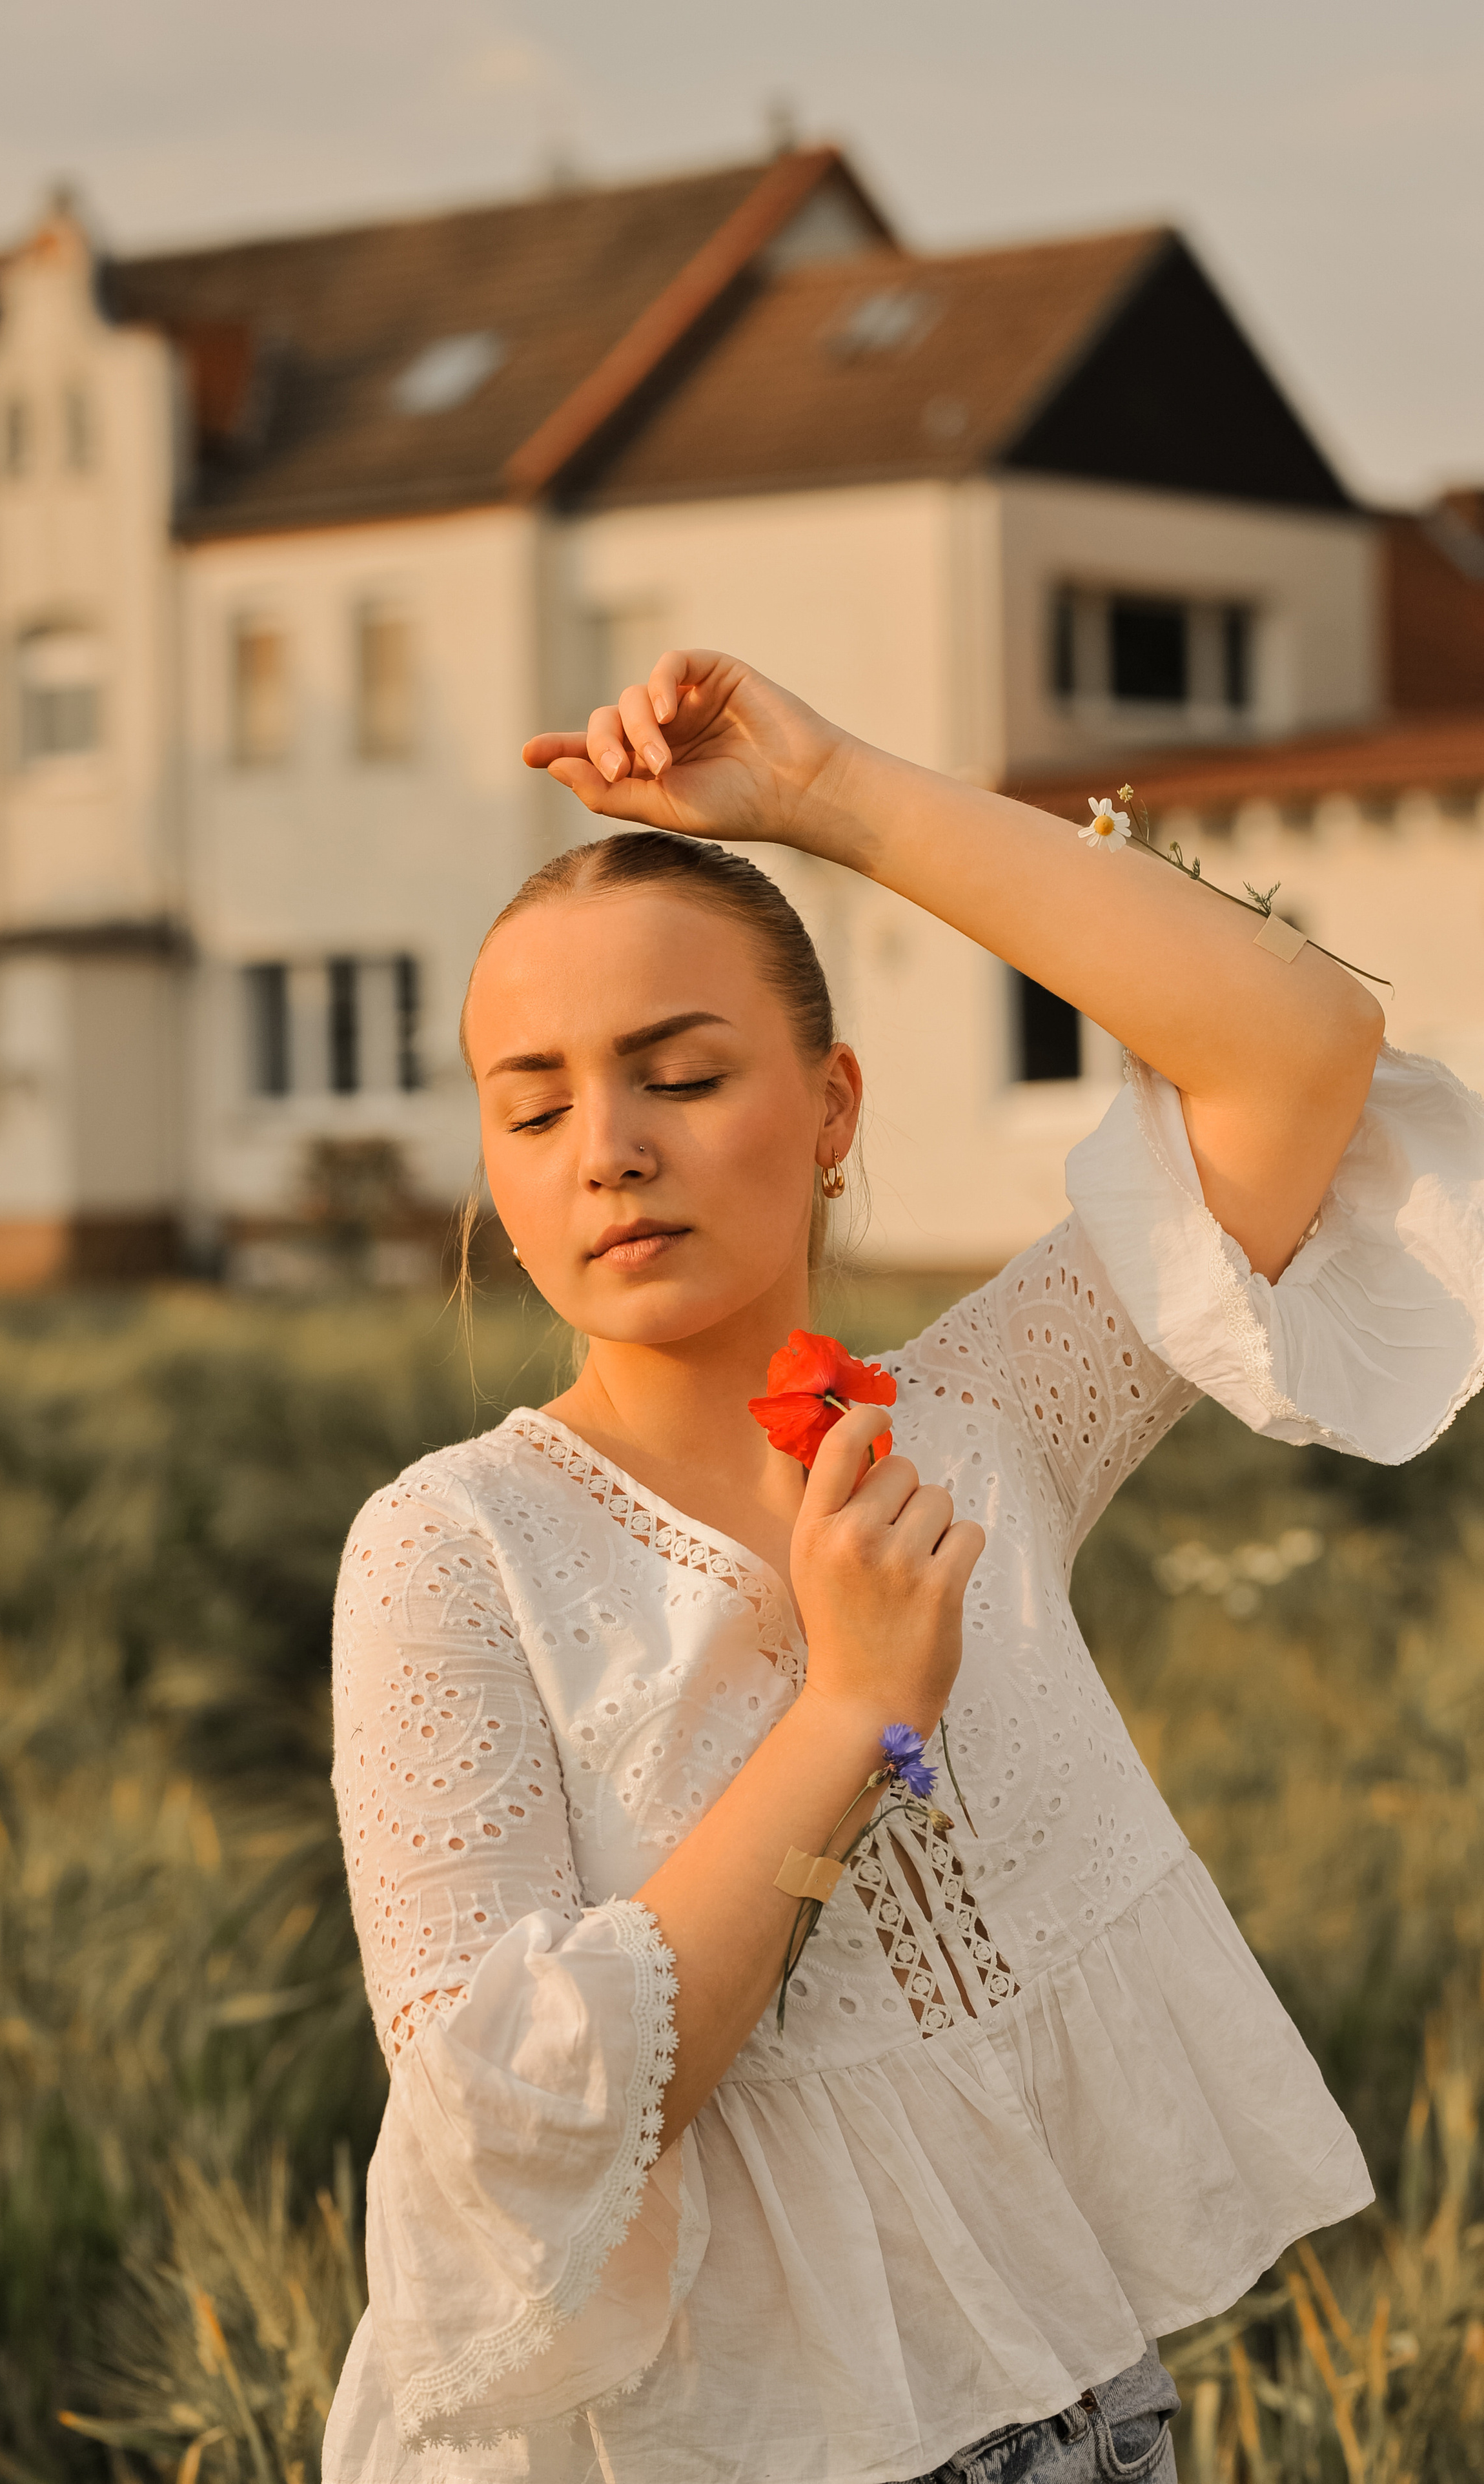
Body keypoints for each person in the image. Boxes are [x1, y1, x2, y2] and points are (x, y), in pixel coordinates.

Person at [323, 652, 1484, 2484]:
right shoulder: (452, 1551)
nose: (608, 1154)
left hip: (1093, 2417)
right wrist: (857, 1712)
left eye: (682, 1075)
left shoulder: (979, 1417)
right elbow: (522, 2135)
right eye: (530, 1110)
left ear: (834, 1109)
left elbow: (1299, 1045)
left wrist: (837, 795)